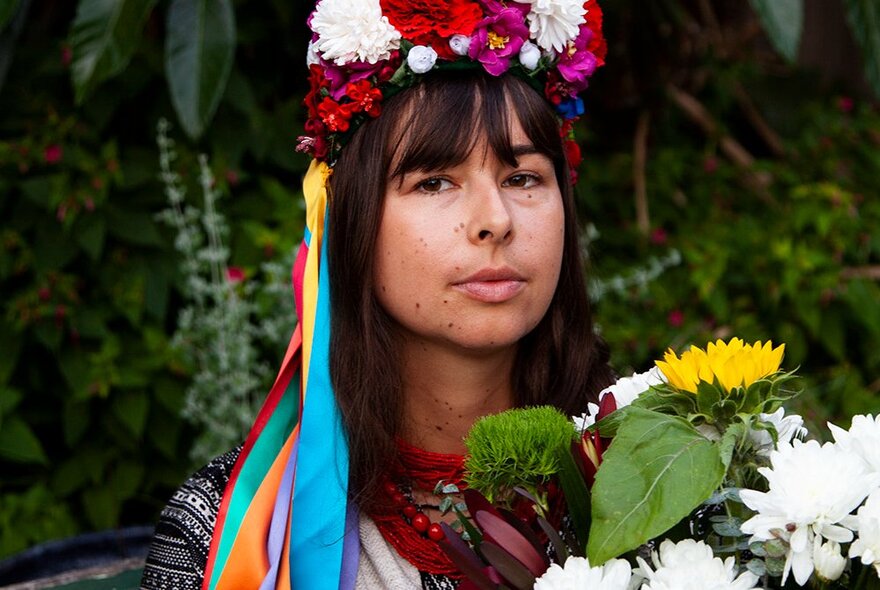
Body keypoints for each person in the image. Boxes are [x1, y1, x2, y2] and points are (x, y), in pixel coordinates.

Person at [141, 1, 612, 588]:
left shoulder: (670, 474)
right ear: (353, 221)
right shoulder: (228, 535)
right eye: (435, 181)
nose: (496, 220)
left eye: (522, 178)